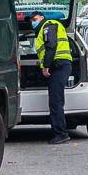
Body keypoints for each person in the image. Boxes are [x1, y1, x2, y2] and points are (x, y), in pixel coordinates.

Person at [31, 11, 73, 145]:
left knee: (56, 102)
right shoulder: (43, 30)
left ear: (42, 18)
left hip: (59, 65)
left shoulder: (49, 25)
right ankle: (60, 132)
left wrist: (46, 66)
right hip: (59, 65)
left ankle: (61, 133)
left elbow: (51, 45)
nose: (32, 21)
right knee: (55, 101)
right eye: (31, 20)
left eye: (34, 18)